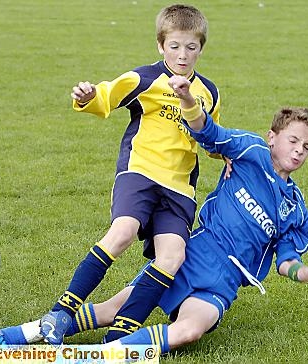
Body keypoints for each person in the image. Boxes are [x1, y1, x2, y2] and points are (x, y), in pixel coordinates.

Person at [0, 77, 308, 354]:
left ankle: (104, 355)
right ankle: (17, 336)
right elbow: (209, 133)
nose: (300, 151)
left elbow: (287, 259)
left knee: (189, 332)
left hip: (223, 281)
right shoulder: (249, 151)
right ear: (272, 137)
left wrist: (305, 273)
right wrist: (188, 100)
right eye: (293, 140)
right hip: (192, 254)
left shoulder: (295, 208)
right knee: (110, 309)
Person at [39, 4, 222, 345]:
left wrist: (220, 152)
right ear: (160, 45)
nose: (183, 55)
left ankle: (119, 335)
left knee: (173, 256)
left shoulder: (208, 92)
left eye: (191, 47)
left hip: (180, 188)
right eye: (175, 46)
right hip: (140, 171)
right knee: (123, 231)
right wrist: (88, 96)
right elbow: (105, 97)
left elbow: (208, 134)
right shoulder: (145, 79)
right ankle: (61, 313)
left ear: (201, 48)